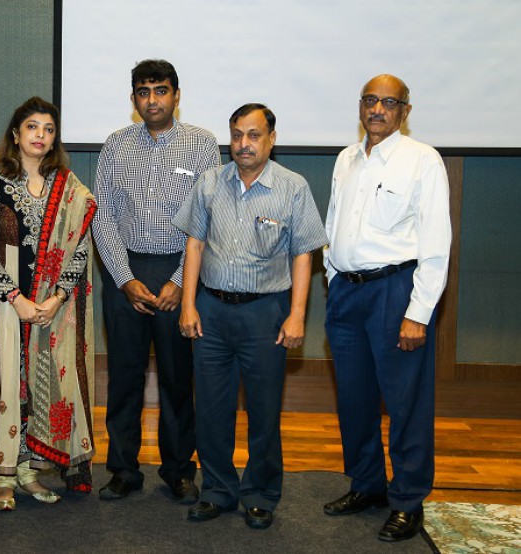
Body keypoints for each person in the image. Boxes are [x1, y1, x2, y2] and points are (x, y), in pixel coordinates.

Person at [174, 104, 327, 529]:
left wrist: (297, 315)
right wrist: (188, 304)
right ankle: (218, 490)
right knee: (211, 409)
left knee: (263, 410)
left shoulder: (293, 187)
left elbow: (303, 254)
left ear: (271, 139)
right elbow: (194, 245)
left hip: (266, 313)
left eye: (254, 135)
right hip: (211, 311)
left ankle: (260, 493)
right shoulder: (210, 182)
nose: (244, 144)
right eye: (237, 135)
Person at [322, 75, 452, 542]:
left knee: (405, 402)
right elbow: (334, 224)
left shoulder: (423, 160)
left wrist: (418, 312)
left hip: (395, 293)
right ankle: (367, 485)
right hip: (346, 293)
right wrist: (333, 277)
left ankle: (408, 501)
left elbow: (436, 242)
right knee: (354, 398)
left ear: (404, 111)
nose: (378, 109)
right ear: (361, 106)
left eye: (389, 102)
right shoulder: (346, 158)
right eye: (370, 100)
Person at [92, 59, 220, 503]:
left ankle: (179, 470)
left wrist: (180, 280)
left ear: (176, 95)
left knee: (177, 379)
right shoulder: (115, 145)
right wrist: (123, 277)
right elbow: (103, 217)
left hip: (180, 270)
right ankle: (123, 469)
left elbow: (207, 217)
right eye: (144, 92)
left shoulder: (202, 145)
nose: (153, 100)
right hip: (125, 271)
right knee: (124, 377)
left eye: (161, 90)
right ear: (133, 99)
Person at [0, 97, 96, 511]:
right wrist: (16, 298)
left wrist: (57, 298)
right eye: (32, 127)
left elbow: (79, 249)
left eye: (48, 129)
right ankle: (3, 476)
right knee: (7, 384)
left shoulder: (70, 188)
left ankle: (29, 471)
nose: (40, 135)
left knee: (42, 385)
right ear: (16, 133)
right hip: (5, 306)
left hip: (52, 310)